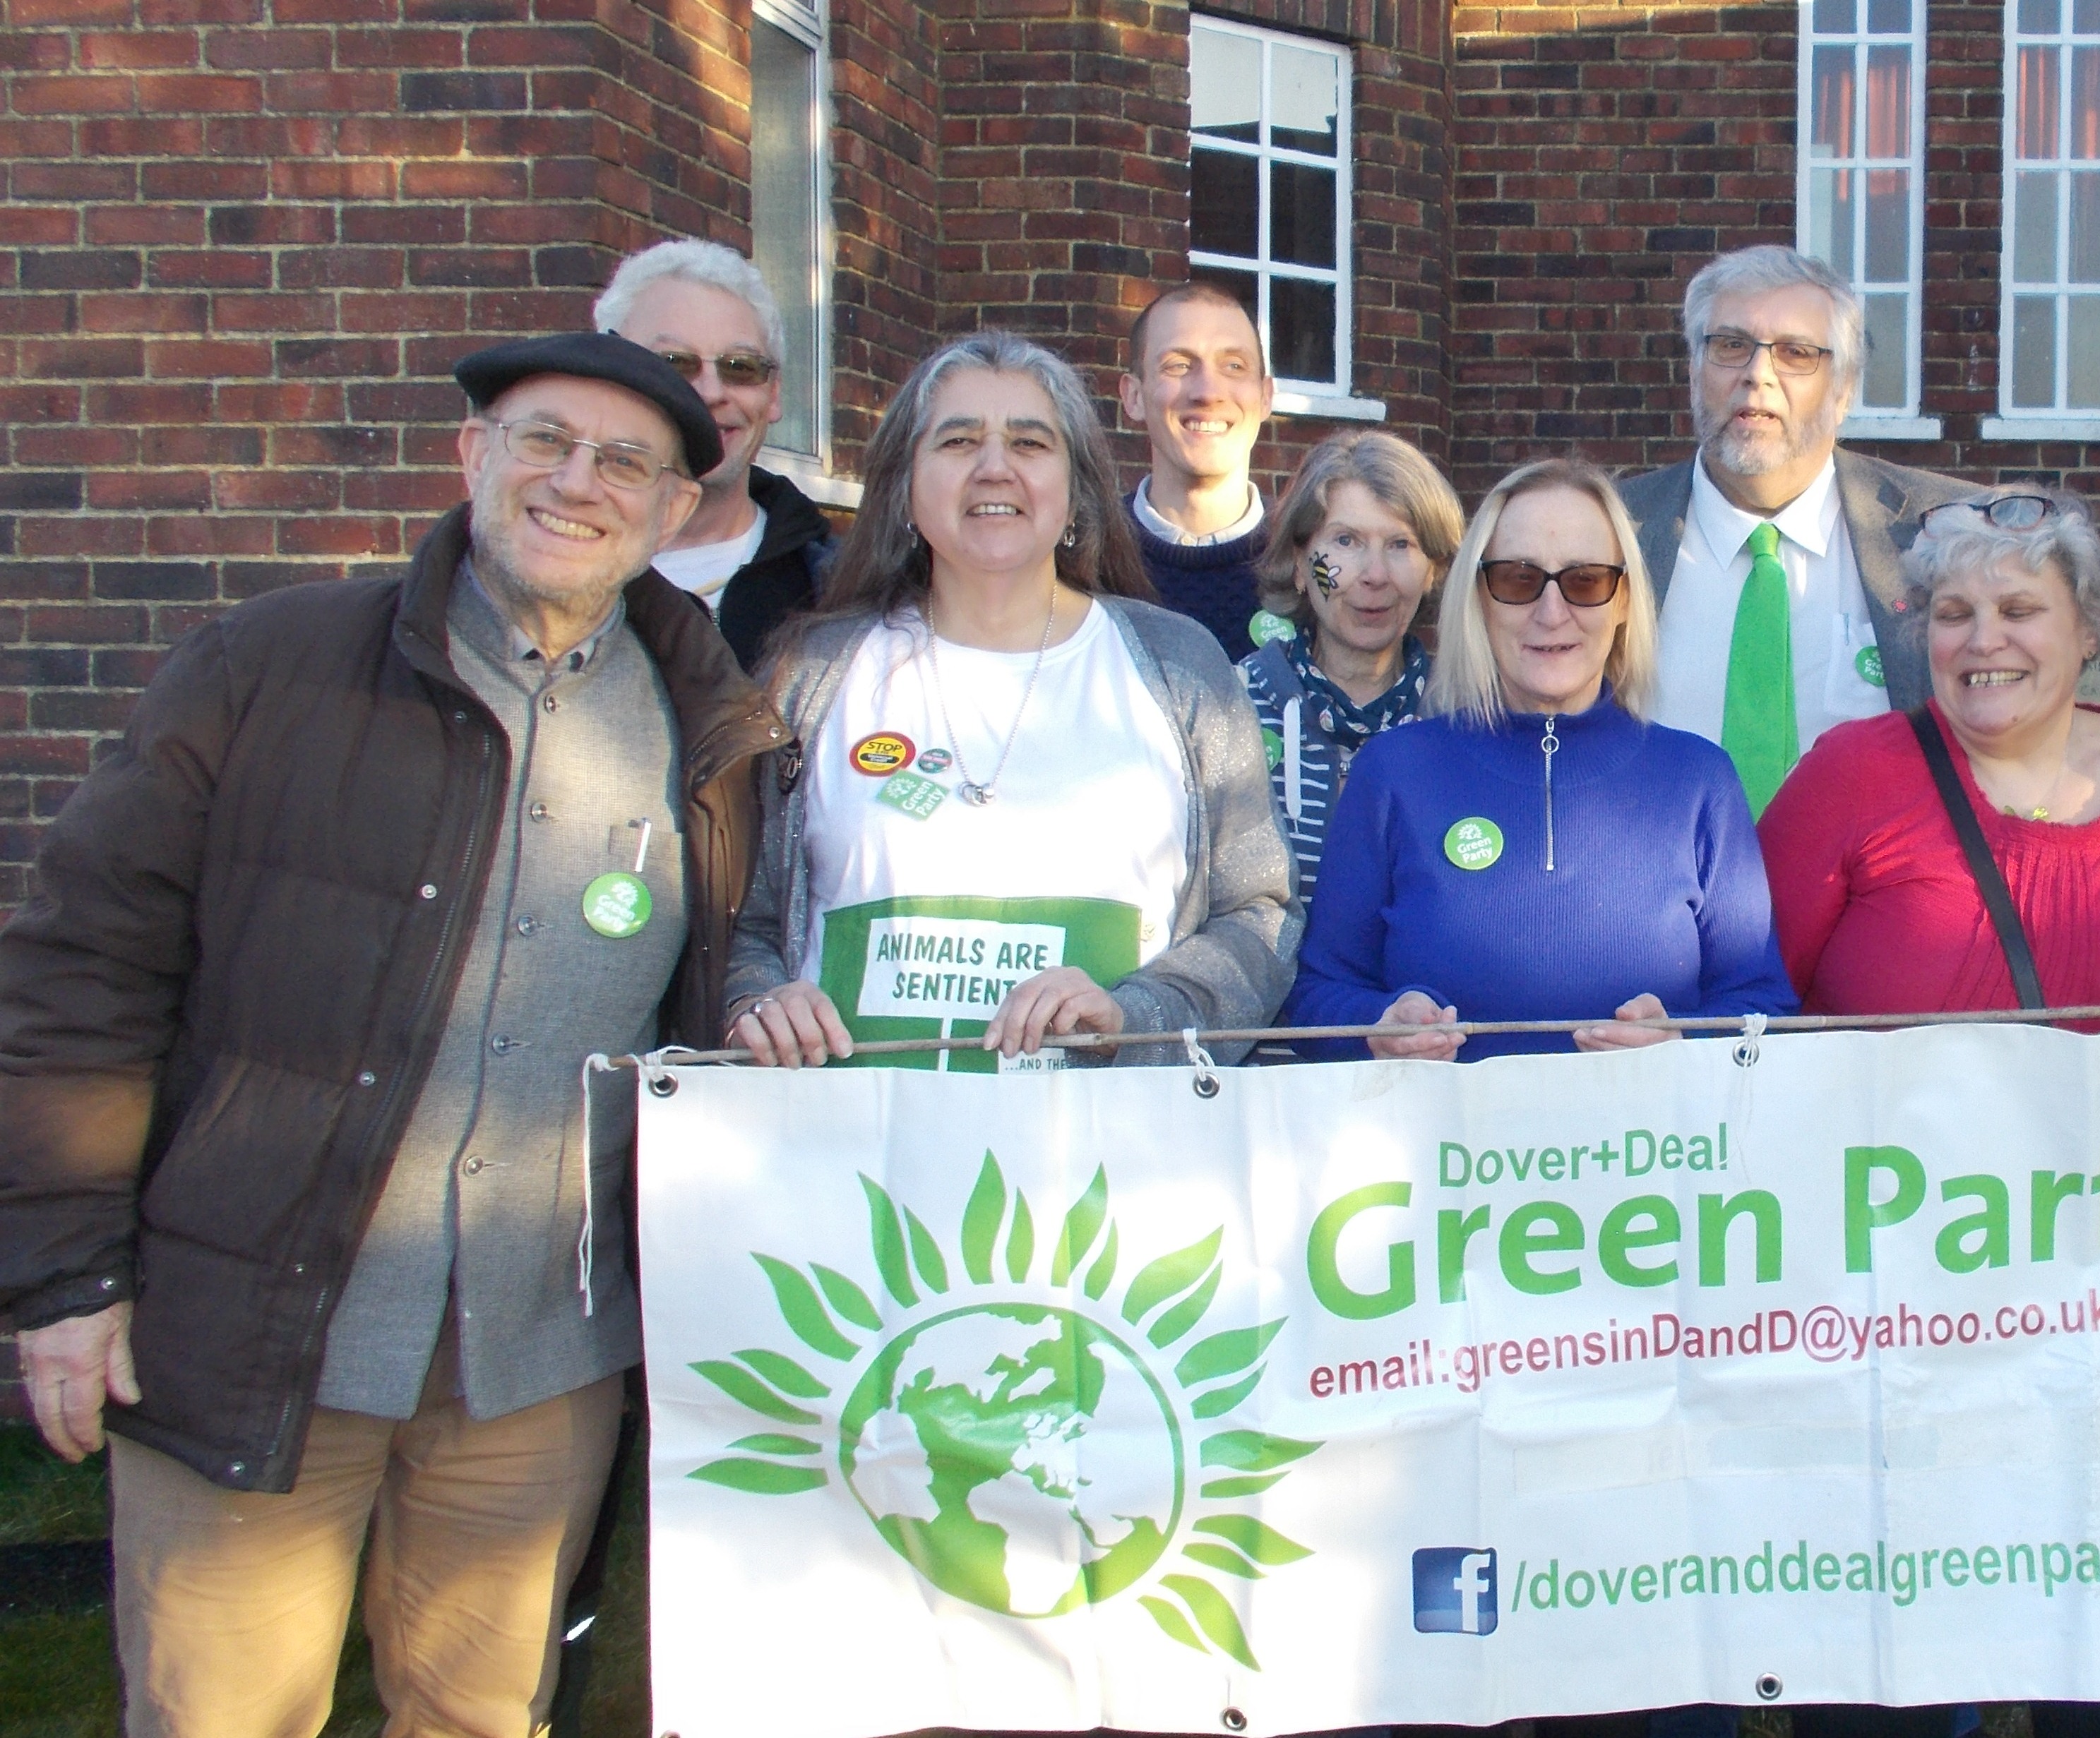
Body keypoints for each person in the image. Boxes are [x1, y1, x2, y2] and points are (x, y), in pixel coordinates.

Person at [0, 332, 779, 1736]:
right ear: (474, 455)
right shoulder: (269, 667)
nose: (576, 483)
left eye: (624, 464)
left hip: (539, 1366)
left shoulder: (710, 730)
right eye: (544, 441)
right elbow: (80, 970)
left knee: (482, 1716)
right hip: (263, 1330)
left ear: (675, 514)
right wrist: (64, 1280)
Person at [1757, 493, 2100, 1738]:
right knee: (1882, 1670)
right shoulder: (1851, 775)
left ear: (2087, 627)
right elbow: (1748, 1004)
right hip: (1887, 1293)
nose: (1981, 638)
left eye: (2018, 608)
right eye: (1952, 612)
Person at [726, 332, 1293, 1072]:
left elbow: (1259, 915)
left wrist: (1137, 1018)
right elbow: (738, 918)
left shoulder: (1179, 667)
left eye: (1030, 443)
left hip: (1105, 1160)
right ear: (904, 484)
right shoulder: (814, 671)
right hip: (855, 1161)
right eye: (958, 441)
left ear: (1077, 491)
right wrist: (758, 998)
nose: (995, 467)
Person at [1285, 455, 1794, 1061]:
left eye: (1585, 581)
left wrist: (1683, 1041)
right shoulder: (1394, 772)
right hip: (1446, 1153)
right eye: (1520, 580)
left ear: (1626, 599)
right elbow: (1314, 1000)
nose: (1552, 612)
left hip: (1642, 1151)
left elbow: (1766, 1008)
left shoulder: (1698, 781)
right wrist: (1377, 1025)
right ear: (1479, 597)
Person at [1617, 246, 1971, 813]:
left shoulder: (1948, 532)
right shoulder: (1610, 532)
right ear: (1693, 370)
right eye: (1731, 346)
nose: (1758, 376)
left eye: (1796, 354)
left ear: (1845, 389)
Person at [1239, 431, 1460, 910]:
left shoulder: (1472, 721)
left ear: (1433, 571)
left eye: (1401, 544)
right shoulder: (1233, 708)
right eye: (1346, 541)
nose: (1375, 574)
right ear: (1299, 563)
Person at [597, 238, 837, 667]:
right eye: (673, 363)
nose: (710, 392)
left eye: (740, 367)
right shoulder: (534, 579)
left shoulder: (842, 597)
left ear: (774, 393)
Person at [1117, 280, 1277, 661]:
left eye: (1234, 366)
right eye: (1179, 365)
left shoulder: (1309, 560)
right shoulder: (1086, 562)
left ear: (1266, 397)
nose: (1208, 391)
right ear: (1134, 397)